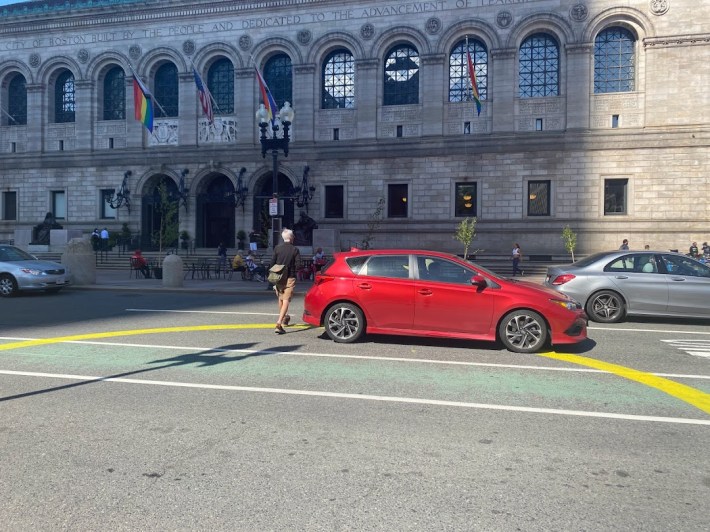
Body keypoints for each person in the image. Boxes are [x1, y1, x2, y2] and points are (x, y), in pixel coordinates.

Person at [272, 228, 301, 334]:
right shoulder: (294, 250)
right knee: (286, 300)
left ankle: (284, 318)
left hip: (278, 277)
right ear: (291, 238)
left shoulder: (277, 248)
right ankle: (279, 323)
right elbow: (298, 265)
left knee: (280, 298)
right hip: (289, 277)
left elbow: (272, 263)